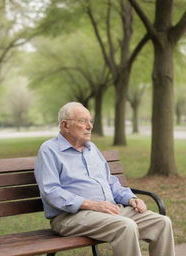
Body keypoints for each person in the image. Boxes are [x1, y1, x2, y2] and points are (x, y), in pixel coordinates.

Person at [34, 102, 175, 256]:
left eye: (90, 121)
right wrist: (92, 205)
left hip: (109, 211)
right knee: (126, 226)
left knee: (162, 223)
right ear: (65, 125)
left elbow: (110, 182)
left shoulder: (91, 149)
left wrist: (130, 198)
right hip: (70, 217)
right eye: (82, 121)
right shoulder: (49, 150)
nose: (89, 126)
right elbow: (51, 191)